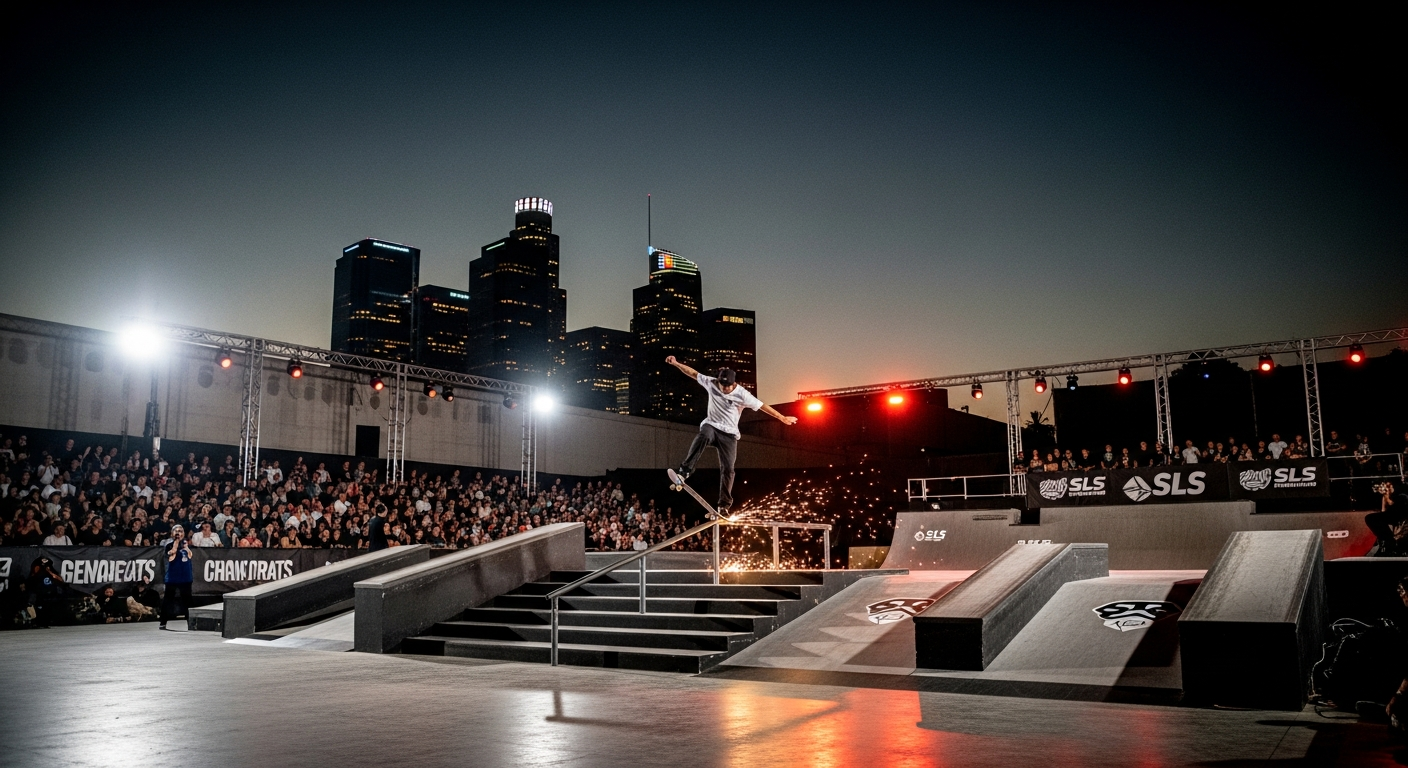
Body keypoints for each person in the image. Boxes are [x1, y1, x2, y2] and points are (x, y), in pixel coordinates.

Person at [664, 356, 797, 517]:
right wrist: (676, 363)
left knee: (728, 469)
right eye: (722, 386)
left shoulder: (743, 394)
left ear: (734, 384)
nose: (724, 389)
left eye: (727, 387)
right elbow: (693, 373)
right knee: (704, 435)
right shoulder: (711, 382)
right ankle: (684, 471)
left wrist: (782, 418)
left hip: (729, 435)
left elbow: (762, 406)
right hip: (712, 425)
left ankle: (724, 506)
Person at [160, 524, 194, 630]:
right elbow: (171, 557)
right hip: (172, 578)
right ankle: (163, 622)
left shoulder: (186, 544)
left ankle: (191, 623)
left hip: (185, 577)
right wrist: (176, 543)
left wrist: (186, 547)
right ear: (172, 533)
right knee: (168, 600)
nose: (178, 532)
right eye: (176, 531)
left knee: (187, 601)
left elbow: (190, 555)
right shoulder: (169, 545)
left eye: (181, 531)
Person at [1366, 481, 1408, 556]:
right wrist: (1385, 497)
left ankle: (1391, 543)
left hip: (1402, 511)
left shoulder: (1401, 493)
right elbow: (1384, 512)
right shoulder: (1387, 496)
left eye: (1390, 487)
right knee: (1371, 518)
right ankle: (1389, 542)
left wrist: (1388, 498)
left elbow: (1398, 504)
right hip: (1395, 513)